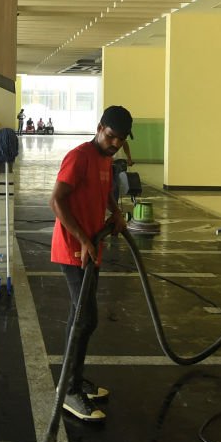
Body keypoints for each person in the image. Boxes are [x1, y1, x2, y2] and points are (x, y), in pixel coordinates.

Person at [50, 105, 132, 421]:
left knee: (81, 316)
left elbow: (104, 191)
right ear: (99, 128)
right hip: (74, 249)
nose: (114, 144)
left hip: (90, 248)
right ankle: (69, 391)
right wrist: (84, 240)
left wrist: (116, 212)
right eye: (111, 136)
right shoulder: (79, 156)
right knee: (85, 318)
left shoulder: (105, 159)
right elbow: (56, 200)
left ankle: (73, 380)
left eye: (120, 140)